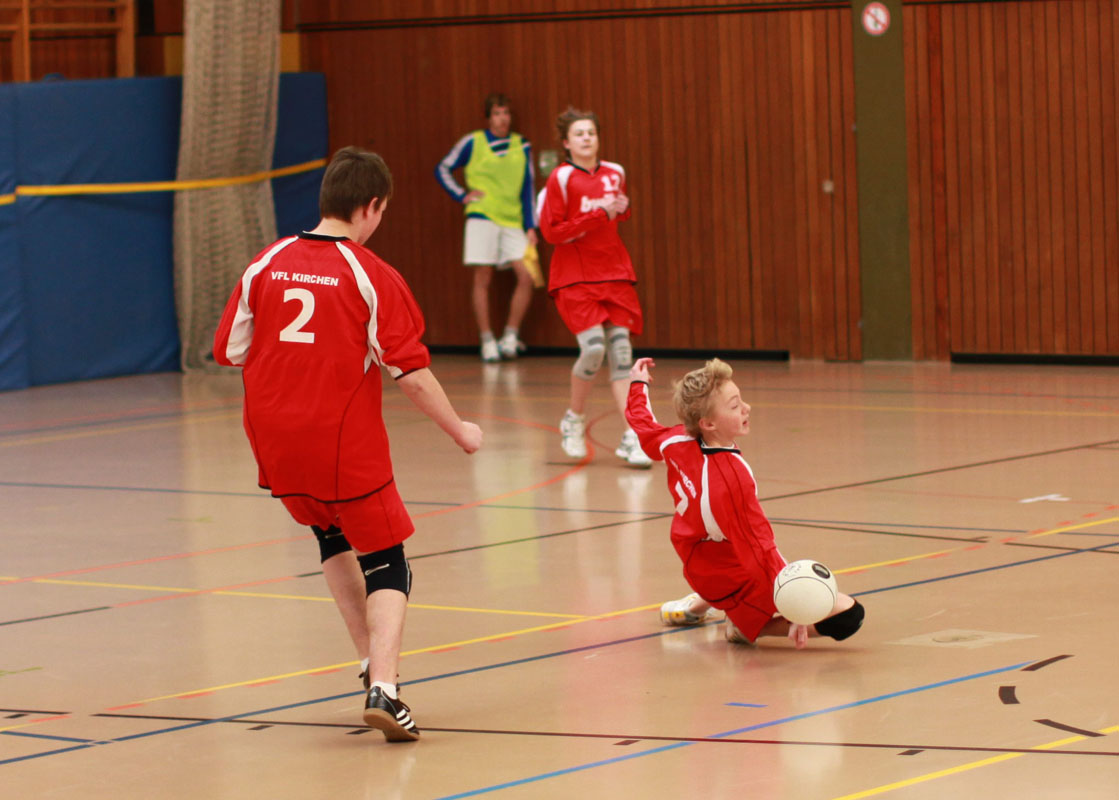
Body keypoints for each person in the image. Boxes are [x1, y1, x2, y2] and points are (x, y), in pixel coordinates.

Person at [213, 146, 483, 741]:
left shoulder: (267, 262)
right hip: (337, 443)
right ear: (372, 206)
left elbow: (230, 351)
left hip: (272, 443)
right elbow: (409, 372)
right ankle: (385, 689)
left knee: (329, 533)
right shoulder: (371, 274)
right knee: (389, 559)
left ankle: (369, 666)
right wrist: (460, 430)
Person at [624, 357, 865, 647]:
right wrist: (795, 600)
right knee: (850, 616)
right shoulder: (731, 479)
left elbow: (643, 426)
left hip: (696, 560)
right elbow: (759, 549)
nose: (746, 408)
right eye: (735, 406)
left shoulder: (677, 438)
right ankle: (745, 624)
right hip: (730, 573)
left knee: (724, 560)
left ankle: (697, 606)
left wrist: (637, 385)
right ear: (708, 423)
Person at [538, 106, 651, 467]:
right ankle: (574, 419)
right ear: (566, 143)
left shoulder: (615, 172)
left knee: (621, 354)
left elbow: (620, 215)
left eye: (591, 132)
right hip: (575, 275)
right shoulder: (560, 178)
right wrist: (598, 213)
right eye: (579, 133)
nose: (587, 138)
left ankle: (632, 435)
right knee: (592, 350)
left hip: (614, 271)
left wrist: (619, 208)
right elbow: (552, 231)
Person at [435, 92, 538, 362]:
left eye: (506, 113)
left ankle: (510, 336)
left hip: (513, 219)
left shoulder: (522, 145)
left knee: (526, 276)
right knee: (483, 278)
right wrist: (462, 195)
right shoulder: (472, 142)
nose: (503, 118)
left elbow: (529, 187)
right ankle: (487, 340)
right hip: (482, 216)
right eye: (497, 113)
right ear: (488, 117)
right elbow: (443, 168)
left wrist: (531, 225)